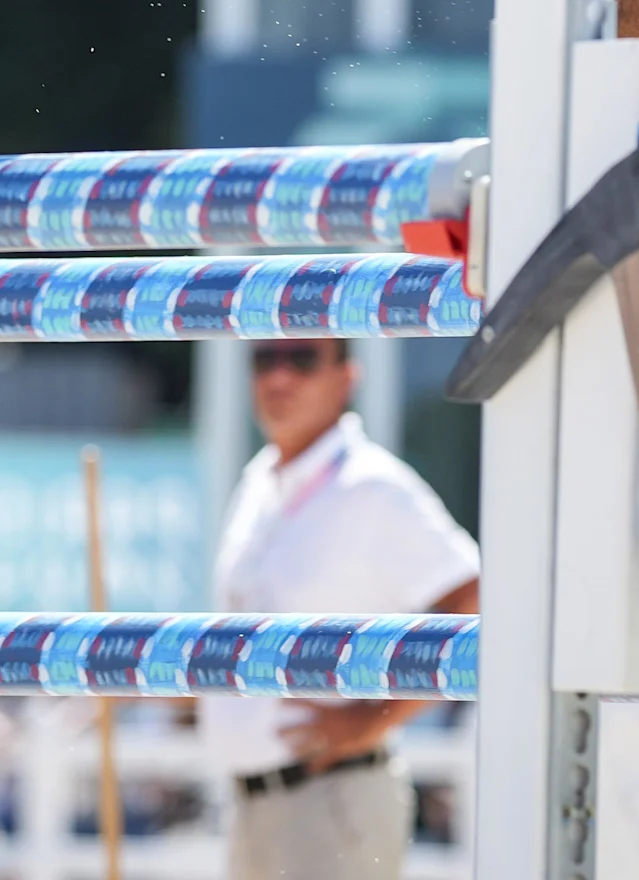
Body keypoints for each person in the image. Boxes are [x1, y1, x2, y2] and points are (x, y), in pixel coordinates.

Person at [200, 340, 478, 880]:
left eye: (301, 359)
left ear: (345, 378)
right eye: (264, 359)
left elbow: (470, 599)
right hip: (252, 804)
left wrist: (368, 718)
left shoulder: (372, 486)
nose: (279, 377)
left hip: (330, 799)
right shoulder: (259, 481)